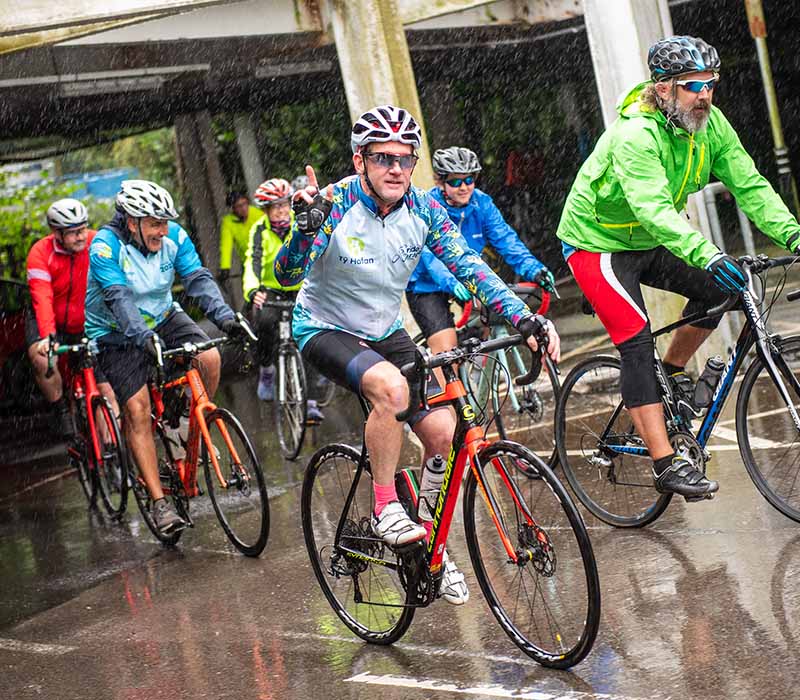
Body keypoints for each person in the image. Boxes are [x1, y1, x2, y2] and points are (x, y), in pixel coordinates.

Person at [275, 104, 560, 605]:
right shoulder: (334, 202)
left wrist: (525, 319)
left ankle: (427, 542)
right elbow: (286, 274)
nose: (396, 169)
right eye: (383, 158)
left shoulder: (424, 210)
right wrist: (303, 229)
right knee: (391, 388)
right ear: (360, 160)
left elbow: (471, 268)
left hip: (384, 330)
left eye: (406, 160)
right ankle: (386, 507)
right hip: (324, 327)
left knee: (445, 433)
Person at [556, 35, 800, 500]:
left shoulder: (710, 124)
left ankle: (669, 375)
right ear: (664, 88)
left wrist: (793, 233)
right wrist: (707, 252)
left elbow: (749, 184)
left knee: (725, 288)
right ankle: (667, 463)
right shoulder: (636, 134)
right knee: (634, 335)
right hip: (596, 243)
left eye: (711, 83)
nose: (705, 94)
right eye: (693, 85)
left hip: (650, 237)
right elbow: (653, 208)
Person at [85, 180, 248, 534]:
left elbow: (197, 279)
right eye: (156, 223)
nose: (164, 229)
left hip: (162, 316)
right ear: (133, 222)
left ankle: (188, 427)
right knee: (138, 410)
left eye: (165, 221)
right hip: (116, 332)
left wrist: (226, 318)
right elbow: (118, 298)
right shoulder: (104, 246)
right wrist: (142, 337)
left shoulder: (174, 235)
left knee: (210, 358)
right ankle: (160, 505)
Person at [406, 146, 555, 355]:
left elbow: (506, 240)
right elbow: (431, 256)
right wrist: (451, 281)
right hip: (426, 285)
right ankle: (447, 381)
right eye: (455, 182)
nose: (464, 187)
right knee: (447, 354)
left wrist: (534, 269)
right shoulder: (428, 206)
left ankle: (479, 380)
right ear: (440, 182)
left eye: (469, 180)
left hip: (466, 275)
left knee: (488, 327)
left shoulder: (482, 203)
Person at [25, 198, 117, 434]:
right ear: (56, 233)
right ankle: (60, 408)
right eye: (73, 232)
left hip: (87, 322)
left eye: (83, 229)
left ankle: (114, 457)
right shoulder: (40, 253)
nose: (81, 236)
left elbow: (116, 283)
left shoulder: (97, 242)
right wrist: (48, 336)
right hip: (47, 319)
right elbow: (42, 297)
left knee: (107, 392)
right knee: (41, 358)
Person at [242, 177, 324, 422]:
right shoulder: (259, 230)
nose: (281, 211)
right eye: (275, 207)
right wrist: (253, 290)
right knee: (264, 321)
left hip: (300, 285)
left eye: (284, 205)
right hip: (271, 288)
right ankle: (267, 369)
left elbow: (316, 252)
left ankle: (310, 401)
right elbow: (252, 262)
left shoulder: (300, 225)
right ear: (266, 211)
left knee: (307, 335)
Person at [218, 190, 262, 290]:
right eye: (239, 206)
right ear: (232, 208)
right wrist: (225, 268)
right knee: (251, 292)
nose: (244, 208)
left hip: (266, 257)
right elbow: (226, 246)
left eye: (245, 203)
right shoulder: (228, 222)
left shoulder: (256, 213)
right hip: (249, 262)